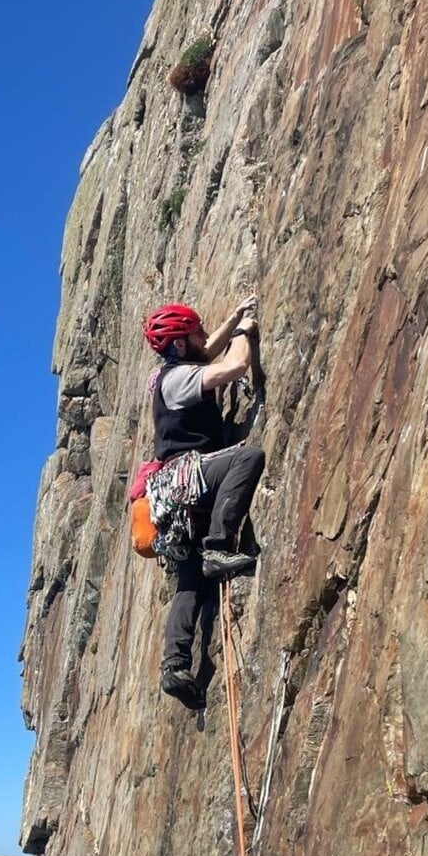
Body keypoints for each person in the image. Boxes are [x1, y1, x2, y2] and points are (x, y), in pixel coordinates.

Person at [142, 298, 266, 710]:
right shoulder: (177, 380)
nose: (203, 334)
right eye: (195, 331)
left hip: (174, 500)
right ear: (179, 344)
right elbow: (232, 368)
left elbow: (207, 352)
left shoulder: (173, 372)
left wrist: (232, 319)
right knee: (247, 457)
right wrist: (246, 332)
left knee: (190, 581)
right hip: (190, 480)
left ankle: (175, 664)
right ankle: (218, 545)